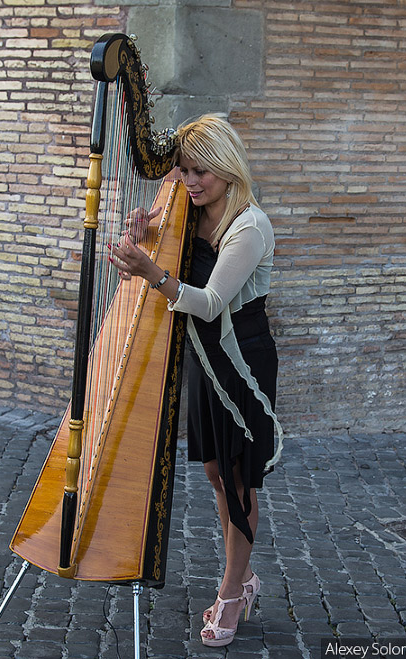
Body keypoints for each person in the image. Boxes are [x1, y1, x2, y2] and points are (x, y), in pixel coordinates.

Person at [109, 113, 283, 647]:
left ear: (227, 166)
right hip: (202, 361)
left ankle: (234, 590)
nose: (191, 181)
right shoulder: (189, 210)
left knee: (238, 478)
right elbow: (164, 260)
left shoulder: (248, 225)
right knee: (213, 470)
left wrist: (151, 271)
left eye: (201, 170)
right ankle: (242, 573)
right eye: (183, 170)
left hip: (240, 360)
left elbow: (207, 304)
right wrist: (146, 233)